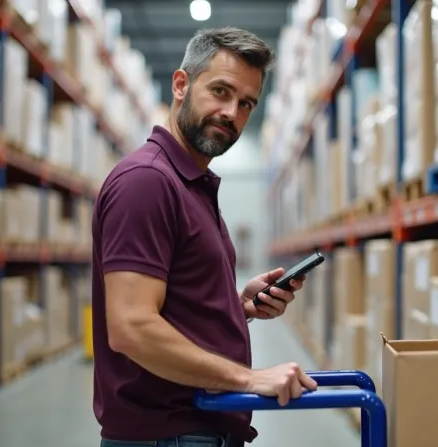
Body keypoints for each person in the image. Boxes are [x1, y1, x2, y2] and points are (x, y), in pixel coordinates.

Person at [91, 27, 319, 447]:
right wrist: (249, 379)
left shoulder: (191, 183)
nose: (232, 112)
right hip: (168, 434)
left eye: (246, 103)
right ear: (181, 85)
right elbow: (131, 327)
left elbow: (173, 307)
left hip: (195, 429)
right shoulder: (147, 182)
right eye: (220, 91)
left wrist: (238, 307)